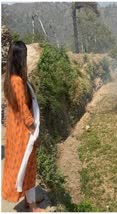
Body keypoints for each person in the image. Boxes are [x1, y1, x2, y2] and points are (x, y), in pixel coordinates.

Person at [2, 41, 44, 212]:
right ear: (20, 58)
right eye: (25, 56)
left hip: (14, 129)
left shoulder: (10, 79)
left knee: (22, 165)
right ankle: (32, 205)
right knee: (28, 166)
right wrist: (34, 130)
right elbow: (23, 107)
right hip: (22, 132)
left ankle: (29, 199)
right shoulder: (17, 81)